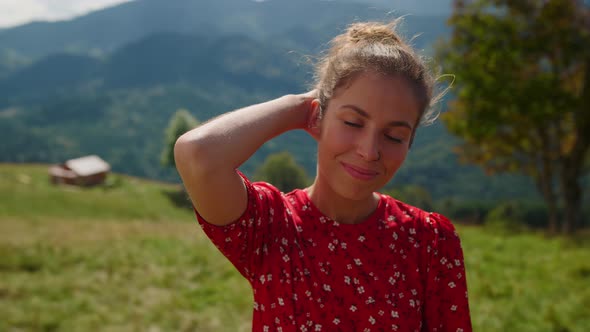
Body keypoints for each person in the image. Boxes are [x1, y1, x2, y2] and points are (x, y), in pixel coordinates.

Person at [175, 20, 472, 332]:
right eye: (353, 123)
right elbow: (198, 155)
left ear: (410, 143)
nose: (370, 151)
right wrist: (299, 105)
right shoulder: (272, 226)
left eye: (395, 136)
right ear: (316, 118)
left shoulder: (429, 242)